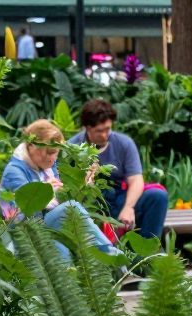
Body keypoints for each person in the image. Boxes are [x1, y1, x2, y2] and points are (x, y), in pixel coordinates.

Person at [0, 121, 120, 258]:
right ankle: (113, 257)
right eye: (50, 153)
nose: (53, 159)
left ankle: (109, 267)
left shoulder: (46, 165)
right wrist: (46, 191)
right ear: (32, 146)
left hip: (46, 225)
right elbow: (25, 214)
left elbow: (57, 201)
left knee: (61, 250)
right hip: (24, 231)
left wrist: (85, 183)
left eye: (56, 153)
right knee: (71, 208)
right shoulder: (14, 172)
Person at [69, 98, 168, 244]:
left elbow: (136, 179)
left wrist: (129, 207)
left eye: (108, 129)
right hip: (90, 201)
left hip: (120, 197)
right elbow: (68, 187)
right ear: (87, 128)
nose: (104, 135)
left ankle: (146, 256)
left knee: (158, 196)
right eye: (99, 131)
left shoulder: (124, 143)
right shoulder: (73, 147)